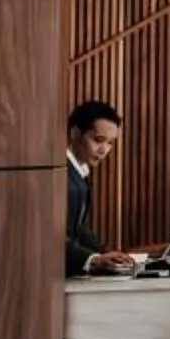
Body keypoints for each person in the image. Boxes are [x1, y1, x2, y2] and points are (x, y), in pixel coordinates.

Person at [65, 99, 137, 276]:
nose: (104, 150)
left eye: (110, 143)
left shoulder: (79, 173)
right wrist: (93, 259)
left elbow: (80, 230)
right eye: (98, 140)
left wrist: (106, 255)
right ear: (75, 133)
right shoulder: (61, 176)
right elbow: (54, 236)